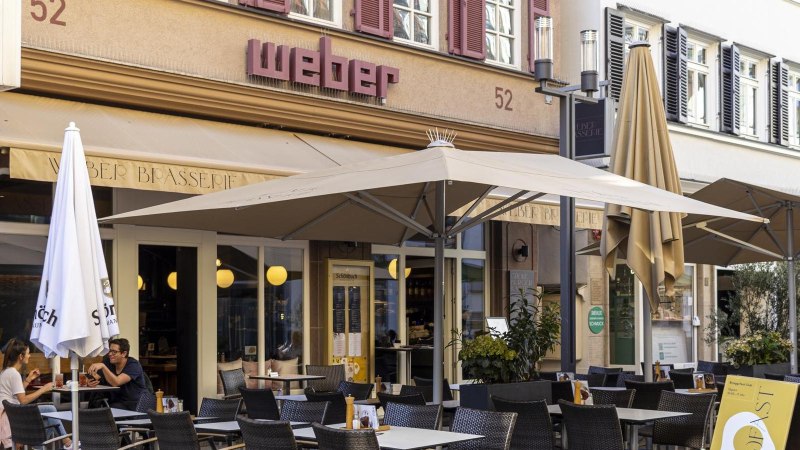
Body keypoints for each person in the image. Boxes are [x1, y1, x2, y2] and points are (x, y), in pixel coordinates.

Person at [0, 338, 72, 449]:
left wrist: (29, 379)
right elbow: (22, 400)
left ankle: (42, 446)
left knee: (48, 421)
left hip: (12, 414)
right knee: (50, 409)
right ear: (21, 357)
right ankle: (68, 443)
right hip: (14, 416)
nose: (30, 356)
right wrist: (44, 389)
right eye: (28, 354)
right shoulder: (14, 374)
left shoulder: (6, 371)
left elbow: (15, 393)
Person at [87, 338, 147, 411]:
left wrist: (103, 366)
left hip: (135, 404)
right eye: (110, 351)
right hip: (116, 403)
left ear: (124, 353)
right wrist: (89, 382)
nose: (110, 354)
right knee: (95, 399)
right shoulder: (108, 362)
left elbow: (116, 382)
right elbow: (96, 377)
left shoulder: (133, 365)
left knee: (109, 410)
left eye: (114, 352)